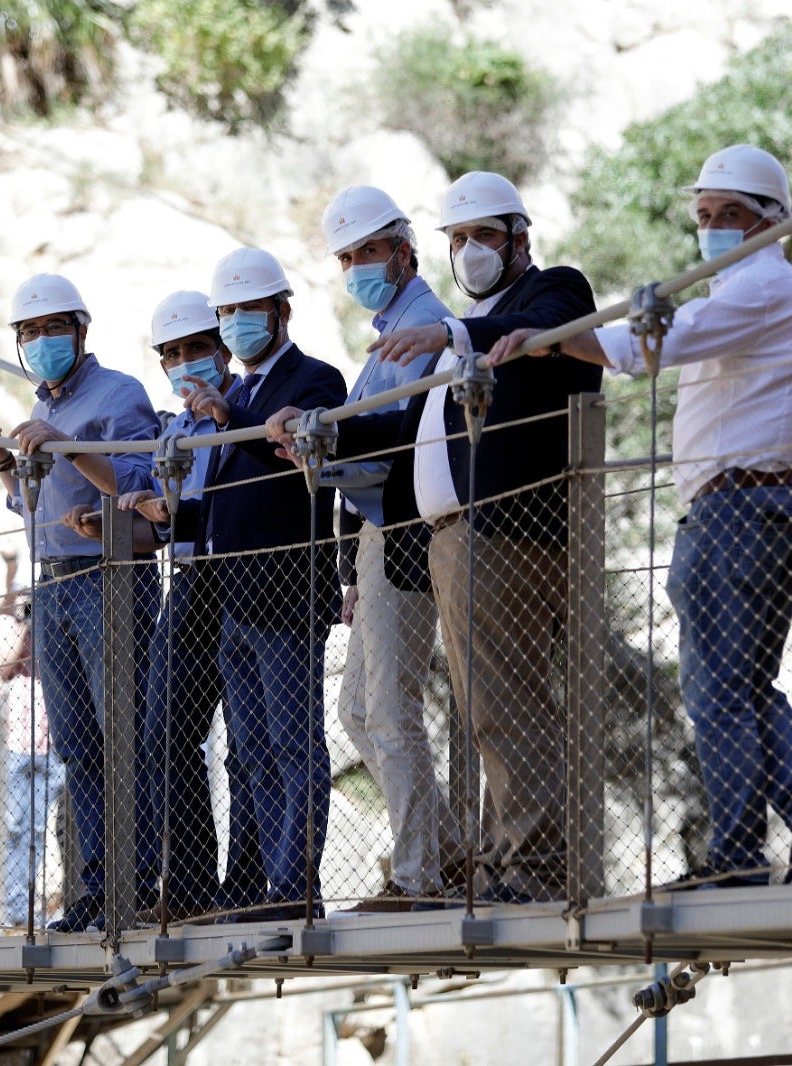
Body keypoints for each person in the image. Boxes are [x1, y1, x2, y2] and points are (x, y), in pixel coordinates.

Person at [487, 144, 792, 888]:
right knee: (746, 685)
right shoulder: (767, 293)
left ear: (772, 223)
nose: (712, 229)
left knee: (715, 690)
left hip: (739, 508)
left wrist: (553, 345)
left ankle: (740, 858)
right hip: (769, 508)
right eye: (705, 216)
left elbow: (660, 344)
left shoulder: (765, 285)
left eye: (730, 216)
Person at [269, 171, 602, 905]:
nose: (470, 250)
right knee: (484, 712)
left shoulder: (542, 297)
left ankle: (523, 870)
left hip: (506, 530)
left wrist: (454, 334)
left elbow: (557, 324)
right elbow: (409, 435)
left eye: (483, 235)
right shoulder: (460, 329)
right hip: (453, 537)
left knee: (501, 709)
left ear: (520, 238)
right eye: (459, 238)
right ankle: (488, 863)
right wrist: (321, 438)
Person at [0, 272, 162, 933]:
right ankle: (97, 888)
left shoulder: (121, 395)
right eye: (29, 333)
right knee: (77, 746)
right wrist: (4, 462)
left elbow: (138, 491)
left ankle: (135, 887)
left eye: (53, 328)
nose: (41, 341)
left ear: (81, 330)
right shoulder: (40, 409)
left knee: (123, 738)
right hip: (51, 583)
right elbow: (32, 506)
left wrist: (66, 447)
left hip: (109, 576)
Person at [69, 289, 265, 923]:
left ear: (221, 350)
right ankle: (184, 889)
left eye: (197, 349)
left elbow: (244, 501)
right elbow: (151, 511)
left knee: (249, 743)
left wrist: (168, 510)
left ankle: (246, 888)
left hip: (241, 576)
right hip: (187, 583)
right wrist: (113, 522)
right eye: (173, 354)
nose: (186, 362)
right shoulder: (175, 429)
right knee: (164, 735)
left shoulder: (246, 413)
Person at [174, 248, 346, 922]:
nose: (240, 322)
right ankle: (270, 887)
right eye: (229, 312)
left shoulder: (317, 381)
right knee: (249, 749)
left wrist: (227, 424)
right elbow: (222, 493)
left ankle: (298, 884)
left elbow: (293, 457)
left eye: (251, 308)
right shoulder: (239, 395)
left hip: (285, 589)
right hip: (231, 596)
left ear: (281, 310)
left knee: (293, 743)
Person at [319, 186, 461, 911]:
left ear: (403, 252)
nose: (355, 267)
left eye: (365, 252)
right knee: (355, 712)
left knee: (389, 708)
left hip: (406, 529)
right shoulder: (389, 335)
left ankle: (417, 877)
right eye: (346, 257)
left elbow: (405, 436)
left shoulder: (427, 325)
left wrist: (327, 433)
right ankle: (445, 850)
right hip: (374, 534)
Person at [0, 611, 64, 928]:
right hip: (11, 744)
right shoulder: (2, 625)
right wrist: (26, 625)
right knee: (10, 828)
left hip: (48, 743)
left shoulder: (58, 618)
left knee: (37, 830)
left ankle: (25, 904)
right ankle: (6, 904)